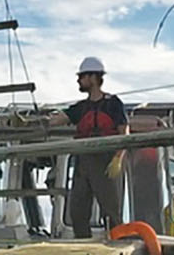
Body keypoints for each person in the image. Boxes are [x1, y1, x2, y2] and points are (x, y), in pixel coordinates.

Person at [51, 56, 129, 238]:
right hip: (83, 163)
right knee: (77, 210)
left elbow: (125, 133)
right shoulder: (81, 108)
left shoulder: (113, 104)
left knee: (110, 212)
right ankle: (82, 247)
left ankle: (117, 246)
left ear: (93, 78)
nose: (78, 80)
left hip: (106, 161)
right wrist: (39, 120)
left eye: (82, 76)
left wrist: (118, 158)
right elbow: (57, 119)